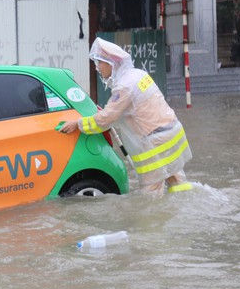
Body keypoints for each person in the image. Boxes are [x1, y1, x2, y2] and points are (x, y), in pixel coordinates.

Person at [58, 37, 192, 195]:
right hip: (172, 135)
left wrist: (78, 124)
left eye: (99, 63)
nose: (97, 68)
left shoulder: (124, 87)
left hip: (155, 144)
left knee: (151, 198)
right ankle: (185, 210)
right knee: (176, 181)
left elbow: (105, 120)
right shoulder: (138, 75)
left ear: (111, 63)